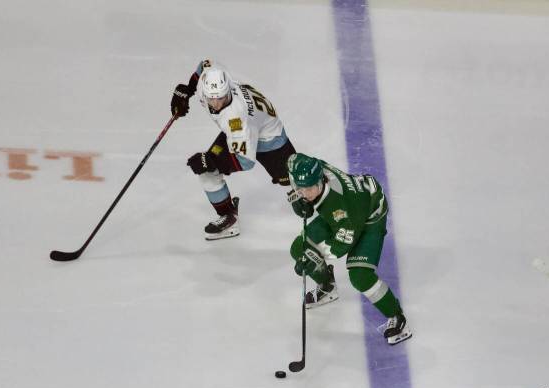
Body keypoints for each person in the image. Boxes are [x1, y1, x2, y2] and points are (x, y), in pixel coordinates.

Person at [286, 153, 411, 345]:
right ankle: (327, 287)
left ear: (320, 181)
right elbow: (292, 160)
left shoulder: (341, 207)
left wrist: (314, 258)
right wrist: (298, 196)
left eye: (309, 189)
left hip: (368, 217)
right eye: (301, 188)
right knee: (299, 248)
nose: (306, 193)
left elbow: (340, 246)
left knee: (360, 276)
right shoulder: (313, 168)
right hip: (347, 210)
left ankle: (398, 317)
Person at [170, 59, 296, 240]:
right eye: (212, 98)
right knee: (207, 173)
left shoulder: (236, 119)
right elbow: (205, 64)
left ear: (227, 90)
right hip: (247, 129)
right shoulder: (208, 78)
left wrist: (210, 160)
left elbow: (246, 161)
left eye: (221, 98)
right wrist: (187, 90)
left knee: (296, 180)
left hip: (270, 139)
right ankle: (228, 217)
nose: (217, 103)